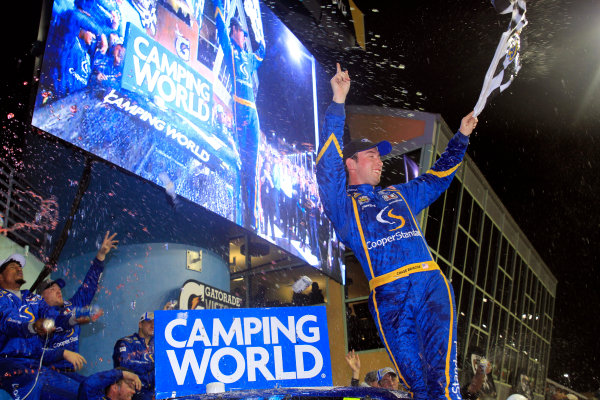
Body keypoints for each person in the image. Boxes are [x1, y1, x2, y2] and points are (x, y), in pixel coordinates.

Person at [316, 63, 478, 400]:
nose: (380, 161)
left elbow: (438, 177)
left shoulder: (398, 194)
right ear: (352, 163)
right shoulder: (343, 207)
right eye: (373, 155)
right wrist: (338, 101)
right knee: (419, 388)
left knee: (445, 383)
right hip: (389, 299)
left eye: (380, 156)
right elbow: (327, 165)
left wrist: (460, 138)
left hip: (429, 284)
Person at [0, 254, 92, 400]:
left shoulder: (33, 298)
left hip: (36, 365)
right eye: (12, 267)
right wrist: (32, 327)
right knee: (34, 383)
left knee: (83, 392)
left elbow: (53, 317)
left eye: (20, 266)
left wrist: (72, 320)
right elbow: (8, 322)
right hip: (8, 364)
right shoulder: (1, 298)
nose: (19, 268)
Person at [37, 231, 117, 382]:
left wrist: (100, 256)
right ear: (41, 296)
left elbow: (88, 287)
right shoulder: (38, 316)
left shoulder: (70, 306)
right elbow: (36, 351)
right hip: (46, 374)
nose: (58, 290)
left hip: (70, 373)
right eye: (52, 289)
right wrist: (63, 353)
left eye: (58, 287)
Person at [214, 0, 266, 230]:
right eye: (242, 32)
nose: (244, 37)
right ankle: (238, 212)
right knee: (242, 163)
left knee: (253, 167)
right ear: (234, 31)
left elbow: (263, 51)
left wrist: (255, 24)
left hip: (254, 113)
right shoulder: (230, 49)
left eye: (245, 34)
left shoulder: (248, 57)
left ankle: (252, 220)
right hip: (240, 109)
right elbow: (218, 21)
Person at [112, 312, 155, 400]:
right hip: (133, 392)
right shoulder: (126, 342)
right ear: (140, 324)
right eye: (149, 322)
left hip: (154, 392)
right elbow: (123, 363)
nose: (152, 325)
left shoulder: (157, 345)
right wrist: (150, 365)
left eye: (155, 323)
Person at [77, 368, 142, 400]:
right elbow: (87, 385)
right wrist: (123, 374)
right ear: (115, 387)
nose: (133, 392)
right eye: (130, 386)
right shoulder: (96, 397)